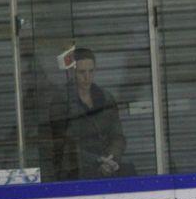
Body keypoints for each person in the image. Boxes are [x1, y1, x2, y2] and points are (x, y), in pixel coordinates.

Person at [50, 48, 134, 180]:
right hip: (77, 170)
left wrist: (112, 157)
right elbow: (63, 143)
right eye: (82, 72)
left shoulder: (106, 97)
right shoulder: (62, 101)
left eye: (91, 71)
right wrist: (97, 160)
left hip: (108, 164)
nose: (87, 77)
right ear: (72, 72)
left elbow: (118, 136)